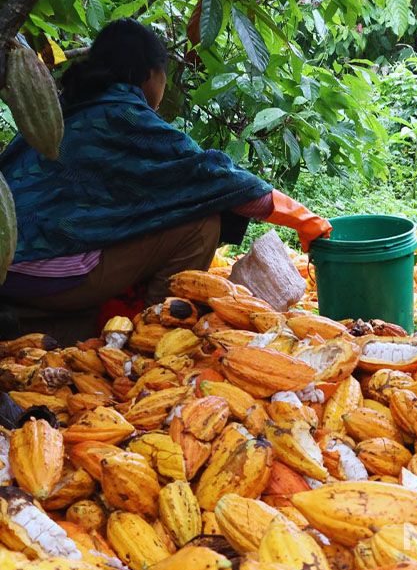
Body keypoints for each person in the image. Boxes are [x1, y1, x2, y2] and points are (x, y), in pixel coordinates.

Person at [0, 18, 330, 336]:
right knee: (201, 224)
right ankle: (149, 334)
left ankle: (63, 323)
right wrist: (305, 220)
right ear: (149, 74)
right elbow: (214, 177)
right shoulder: (124, 113)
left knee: (155, 217)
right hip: (43, 273)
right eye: (164, 76)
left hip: (9, 270)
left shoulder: (64, 109)